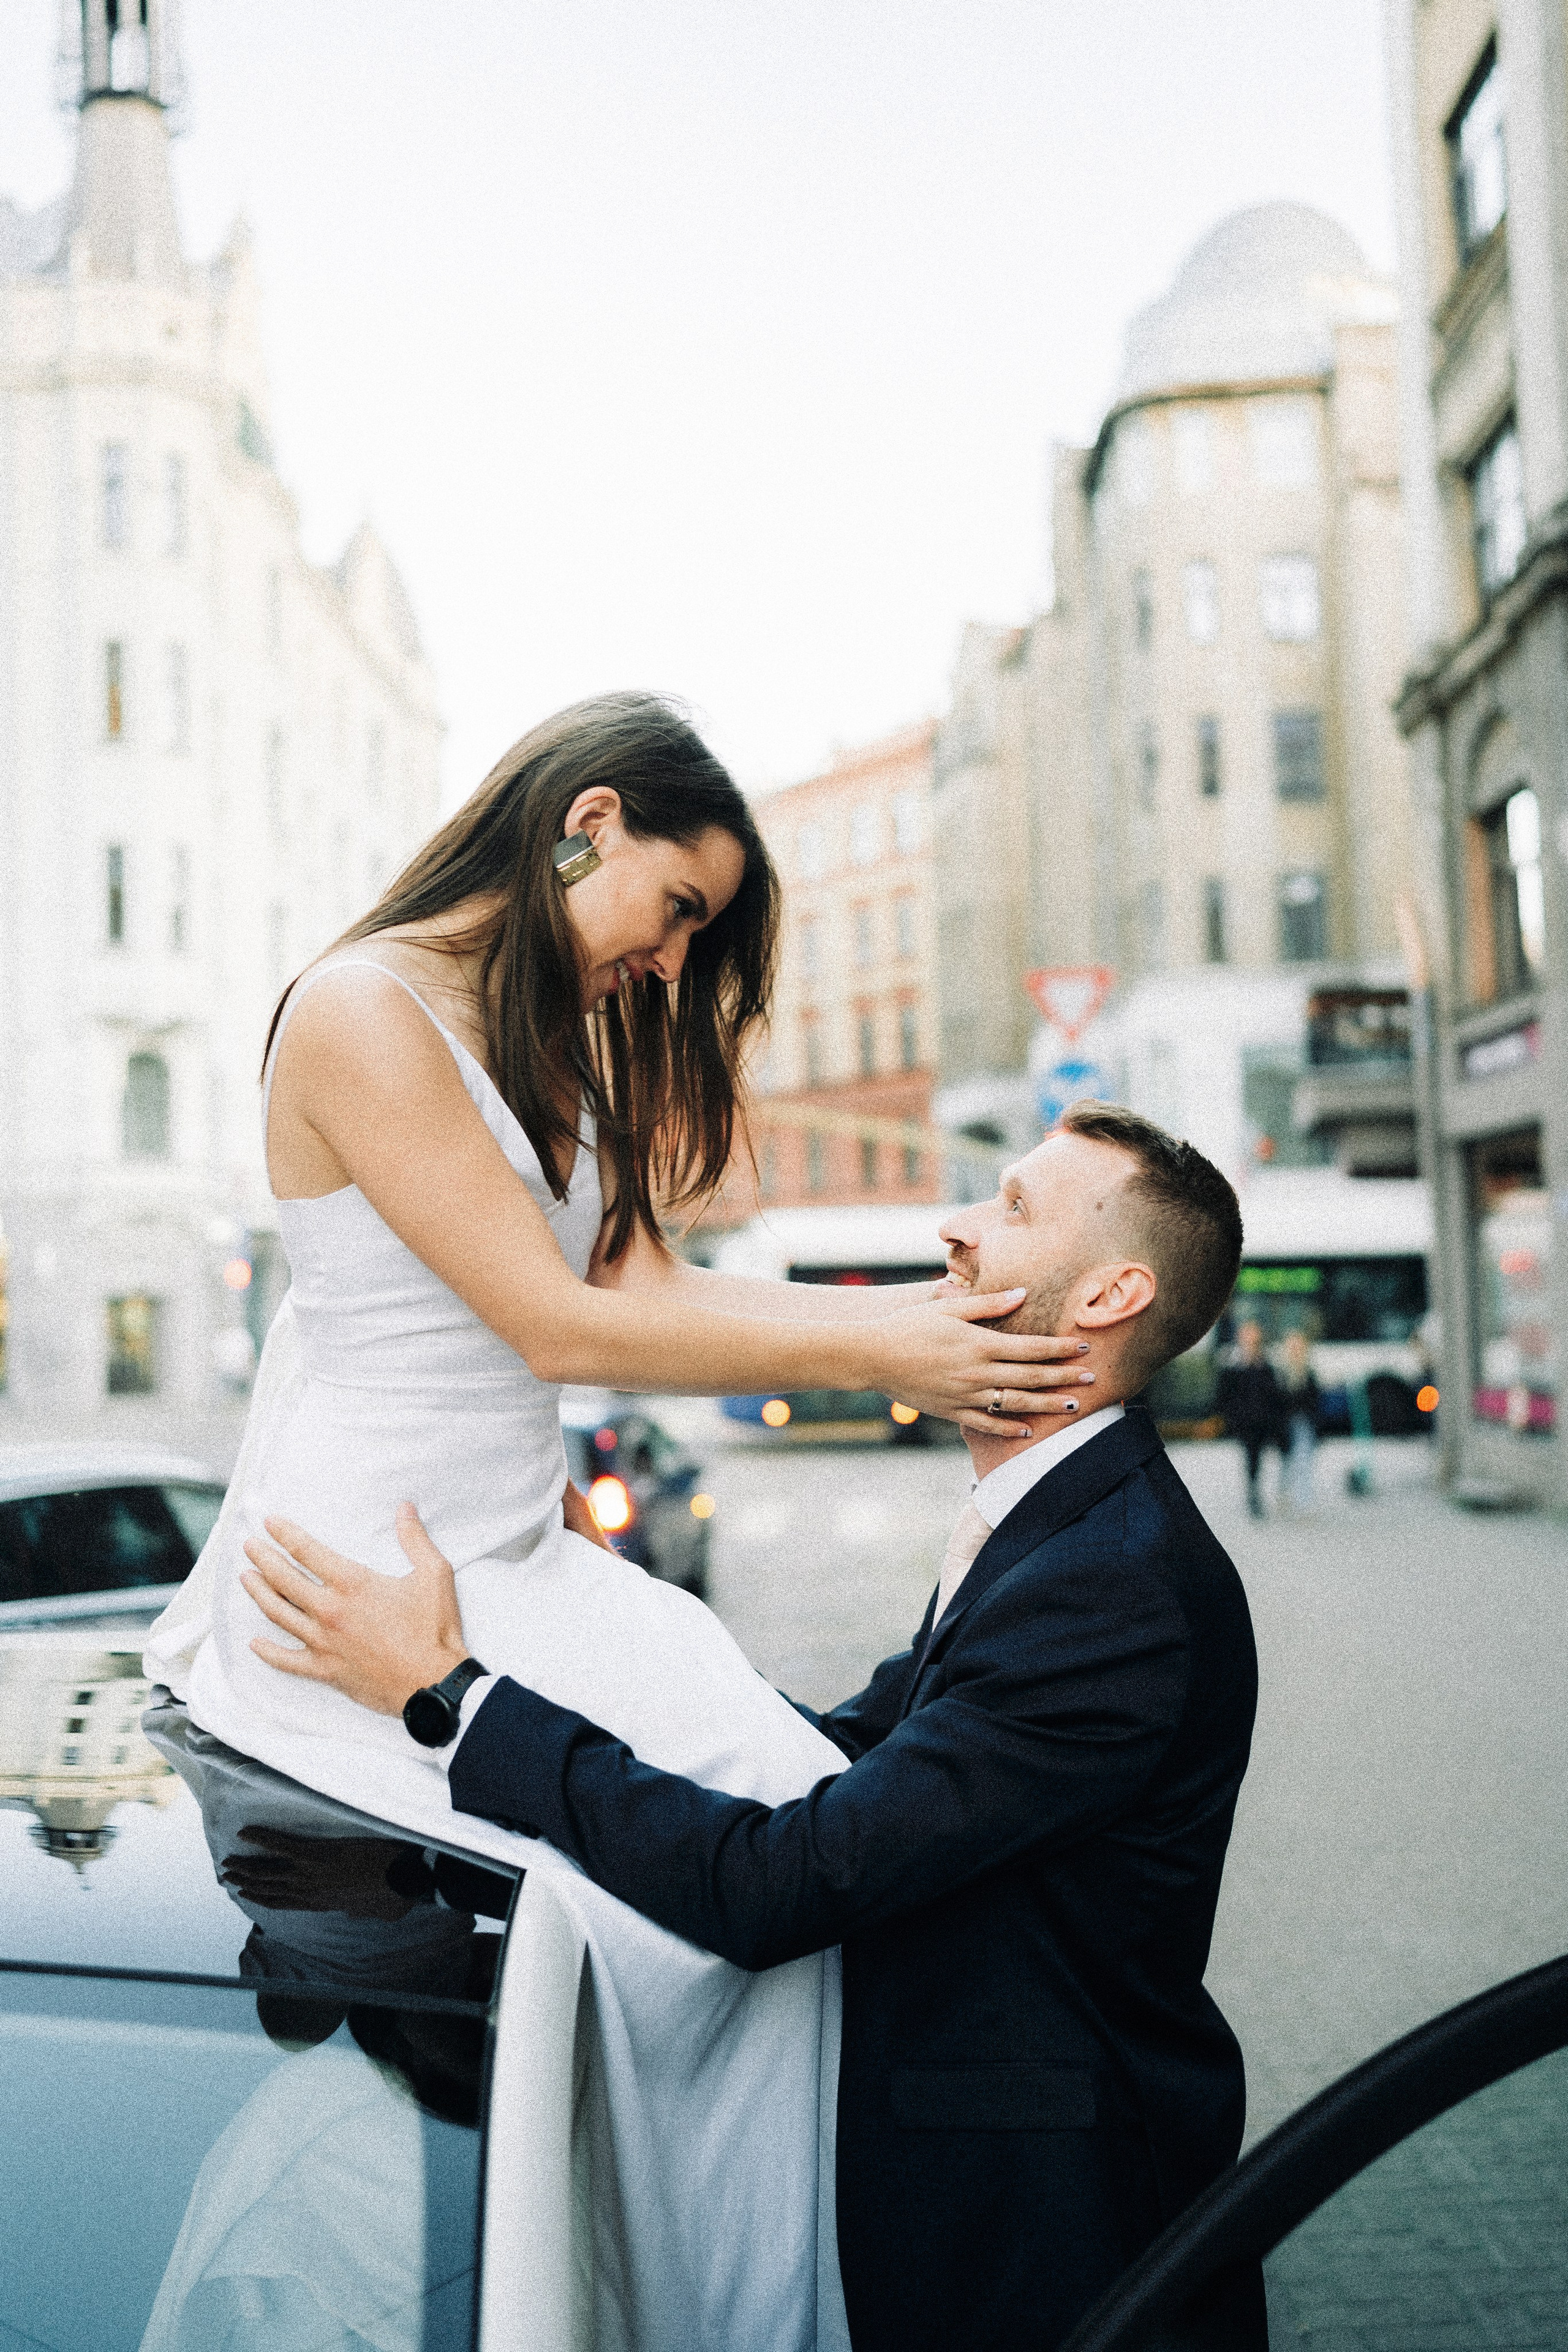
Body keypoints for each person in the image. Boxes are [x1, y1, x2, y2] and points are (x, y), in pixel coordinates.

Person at [145, 691, 1087, 2352]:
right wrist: (897, 1345)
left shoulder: (554, 1036)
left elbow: (638, 1278)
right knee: (661, 1929)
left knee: (800, 1831)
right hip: (376, 1590)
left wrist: (884, 1324)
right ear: (584, 822)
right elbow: (559, 1329)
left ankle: (752, 2301)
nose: (669, 964)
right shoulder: (361, 1014)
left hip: (523, 1564)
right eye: (677, 913)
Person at [241, 1102, 1267, 2352]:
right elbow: (835, 1758)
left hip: (1050, 2245)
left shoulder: (1109, 1592)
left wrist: (453, 1701)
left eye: (1009, 1212)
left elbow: (781, 1882)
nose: (952, 1231)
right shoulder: (1060, 1533)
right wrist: (589, 1607)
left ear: (1108, 1296)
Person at [1216, 1316, 1287, 1518]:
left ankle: (1274, 1493)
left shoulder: (1267, 1365)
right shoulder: (1233, 1365)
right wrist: (1233, 1418)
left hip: (1265, 1421)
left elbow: (1275, 1395)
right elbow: (1224, 1396)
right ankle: (1254, 1494)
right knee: (1253, 1458)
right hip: (1246, 1423)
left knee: (1268, 1456)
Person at [1278, 1326, 1321, 1516]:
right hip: (1285, 1427)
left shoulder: (1309, 1373)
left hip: (1304, 1425)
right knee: (1287, 1464)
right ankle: (1284, 1496)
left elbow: (1316, 1402)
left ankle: (1303, 1503)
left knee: (1303, 1463)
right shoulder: (1280, 1374)